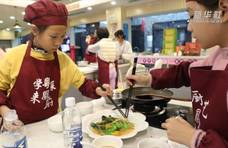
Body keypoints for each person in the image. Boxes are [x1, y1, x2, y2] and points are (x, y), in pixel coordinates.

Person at [126, 0, 228, 147]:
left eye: (192, 15)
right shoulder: (218, 56)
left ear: (223, 10)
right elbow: (185, 72)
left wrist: (195, 138)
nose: (189, 27)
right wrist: (148, 78)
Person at [0, 0, 112, 126]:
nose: (59, 42)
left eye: (62, 37)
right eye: (53, 37)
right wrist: (6, 113)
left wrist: (98, 89)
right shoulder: (14, 56)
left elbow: (83, 83)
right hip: (17, 127)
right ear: (35, 30)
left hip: (52, 125)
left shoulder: (62, 59)